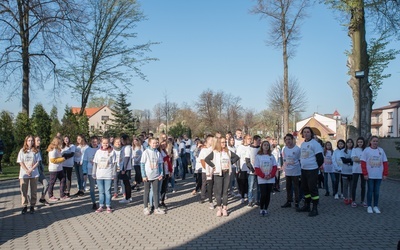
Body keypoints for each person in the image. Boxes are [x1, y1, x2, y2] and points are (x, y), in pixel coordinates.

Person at [205, 137, 240, 217]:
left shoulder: (228, 152)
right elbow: (207, 159)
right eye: (222, 142)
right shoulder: (215, 152)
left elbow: (237, 157)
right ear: (218, 143)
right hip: (218, 174)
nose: (224, 144)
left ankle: (225, 208)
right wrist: (213, 166)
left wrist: (230, 162)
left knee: (225, 191)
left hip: (227, 173)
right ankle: (219, 208)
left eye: (225, 142)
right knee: (218, 192)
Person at [297, 127, 324, 217]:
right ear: (302, 134)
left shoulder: (315, 144)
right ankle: (307, 205)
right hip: (304, 170)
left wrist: (316, 167)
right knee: (305, 188)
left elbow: (320, 158)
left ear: (311, 134)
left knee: (313, 189)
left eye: (308, 132)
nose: (306, 134)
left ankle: (315, 208)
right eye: (304, 132)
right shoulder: (303, 144)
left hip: (312, 170)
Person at [361, 136, 388, 214]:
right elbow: (363, 163)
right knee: (370, 190)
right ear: (370, 142)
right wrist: (365, 173)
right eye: (374, 141)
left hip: (378, 175)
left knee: (376, 191)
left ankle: (375, 206)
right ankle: (369, 206)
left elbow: (385, 163)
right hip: (370, 175)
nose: (375, 142)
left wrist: (385, 173)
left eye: (376, 141)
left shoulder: (381, 150)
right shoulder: (366, 151)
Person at [141, 137, 165, 215]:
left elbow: (161, 164)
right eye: (153, 143)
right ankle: (145, 207)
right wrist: (143, 175)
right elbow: (142, 164)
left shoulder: (158, 153)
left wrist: (161, 173)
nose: (155, 144)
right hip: (148, 176)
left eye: (156, 143)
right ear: (150, 143)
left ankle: (156, 208)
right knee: (147, 192)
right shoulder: (146, 152)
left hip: (156, 176)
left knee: (156, 192)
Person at [92, 137, 116, 213]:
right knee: (101, 191)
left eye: (107, 143)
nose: (105, 144)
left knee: (107, 191)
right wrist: (93, 173)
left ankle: (108, 205)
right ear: (101, 143)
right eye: (104, 143)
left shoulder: (112, 152)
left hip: (108, 174)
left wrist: (114, 174)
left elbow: (115, 164)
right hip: (99, 175)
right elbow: (95, 163)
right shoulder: (98, 152)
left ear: (109, 143)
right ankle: (101, 205)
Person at [17, 135, 40, 214]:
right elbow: (21, 162)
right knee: (24, 190)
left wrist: (31, 169)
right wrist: (27, 170)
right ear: (26, 142)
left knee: (33, 190)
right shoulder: (22, 151)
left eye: (32, 140)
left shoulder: (36, 150)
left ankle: (32, 205)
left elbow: (37, 162)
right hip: (24, 173)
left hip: (34, 173)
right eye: (29, 140)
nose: (30, 142)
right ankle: (24, 206)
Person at [254, 140, 277, 216]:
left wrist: (270, 175)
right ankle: (261, 208)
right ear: (262, 146)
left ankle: (266, 208)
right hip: (262, 179)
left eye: (267, 145)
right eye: (265, 145)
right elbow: (257, 168)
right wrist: (263, 176)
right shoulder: (258, 156)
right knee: (263, 194)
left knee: (268, 194)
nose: (266, 146)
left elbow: (274, 166)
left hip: (270, 178)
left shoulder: (271, 156)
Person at [281, 134, 301, 209]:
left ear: (292, 139)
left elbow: (300, 159)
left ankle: (297, 202)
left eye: (289, 139)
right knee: (288, 186)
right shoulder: (284, 149)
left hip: (295, 170)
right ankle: (289, 201)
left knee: (296, 186)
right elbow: (284, 158)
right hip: (287, 170)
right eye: (286, 140)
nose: (288, 141)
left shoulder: (297, 149)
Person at [47, 137, 70, 202]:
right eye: (59, 142)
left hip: (59, 168)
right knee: (52, 182)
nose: (61, 143)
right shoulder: (53, 149)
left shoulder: (57, 149)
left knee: (63, 180)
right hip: (54, 169)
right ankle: (50, 196)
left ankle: (62, 195)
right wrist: (63, 159)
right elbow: (53, 160)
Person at [82, 136, 100, 209]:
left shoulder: (100, 149)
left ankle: (102, 202)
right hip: (90, 171)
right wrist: (85, 172)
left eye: (96, 142)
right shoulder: (87, 150)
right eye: (93, 142)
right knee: (92, 188)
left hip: (100, 171)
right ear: (90, 142)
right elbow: (85, 161)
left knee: (101, 188)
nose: (94, 143)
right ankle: (94, 203)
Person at [245, 135, 261, 207]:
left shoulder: (260, 149)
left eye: (260, 141)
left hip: (259, 171)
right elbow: (247, 161)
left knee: (259, 187)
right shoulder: (249, 148)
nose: (259, 142)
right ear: (254, 140)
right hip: (252, 172)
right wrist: (253, 170)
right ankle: (250, 200)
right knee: (251, 187)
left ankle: (258, 200)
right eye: (258, 140)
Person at [351, 137, 367, 208]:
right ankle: (353, 201)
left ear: (363, 143)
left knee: (363, 186)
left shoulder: (366, 150)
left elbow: (367, 159)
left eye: (361, 142)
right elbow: (354, 159)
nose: (360, 143)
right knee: (354, 185)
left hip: (363, 170)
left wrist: (359, 159)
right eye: (359, 142)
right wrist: (362, 160)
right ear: (357, 143)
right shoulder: (354, 149)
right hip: (356, 170)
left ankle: (362, 201)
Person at [199, 135, 214, 207]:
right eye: (211, 140)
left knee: (212, 183)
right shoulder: (203, 150)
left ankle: (211, 195)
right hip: (205, 170)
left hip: (213, 170)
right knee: (204, 183)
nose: (212, 141)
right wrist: (205, 168)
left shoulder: (213, 149)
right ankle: (202, 196)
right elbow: (202, 160)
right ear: (207, 141)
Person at [236, 135, 251, 203]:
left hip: (249, 168)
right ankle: (242, 196)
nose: (250, 140)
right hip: (242, 167)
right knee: (242, 182)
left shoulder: (250, 147)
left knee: (248, 183)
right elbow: (237, 158)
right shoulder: (240, 147)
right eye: (248, 139)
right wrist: (238, 168)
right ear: (244, 139)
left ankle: (247, 194)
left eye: (250, 139)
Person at [118, 135, 132, 203]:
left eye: (122, 140)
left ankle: (128, 198)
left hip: (126, 168)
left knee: (126, 183)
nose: (121, 141)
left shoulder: (128, 147)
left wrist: (124, 169)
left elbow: (127, 158)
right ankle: (127, 197)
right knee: (124, 183)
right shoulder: (123, 147)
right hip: (122, 167)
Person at [35, 136, 49, 204]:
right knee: (32, 189)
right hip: (33, 172)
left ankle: (42, 198)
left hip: (39, 171)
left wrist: (42, 169)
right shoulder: (31, 150)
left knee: (46, 184)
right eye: (37, 140)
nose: (39, 142)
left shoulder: (39, 150)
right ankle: (31, 204)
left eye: (39, 140)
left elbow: (40, 162)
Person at [341, 139, 354, 205]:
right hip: (345, 171)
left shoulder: (354, 150)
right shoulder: (343, 151)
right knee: (345, 186)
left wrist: (350, 160)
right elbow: (344, 160)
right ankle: (345, 198)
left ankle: (351, 198)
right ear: (346, 144)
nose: (349, 144)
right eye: (348, 142)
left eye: (351, 142)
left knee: (352, 186)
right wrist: (351, 160)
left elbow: (355, 160)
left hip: (352, 172)